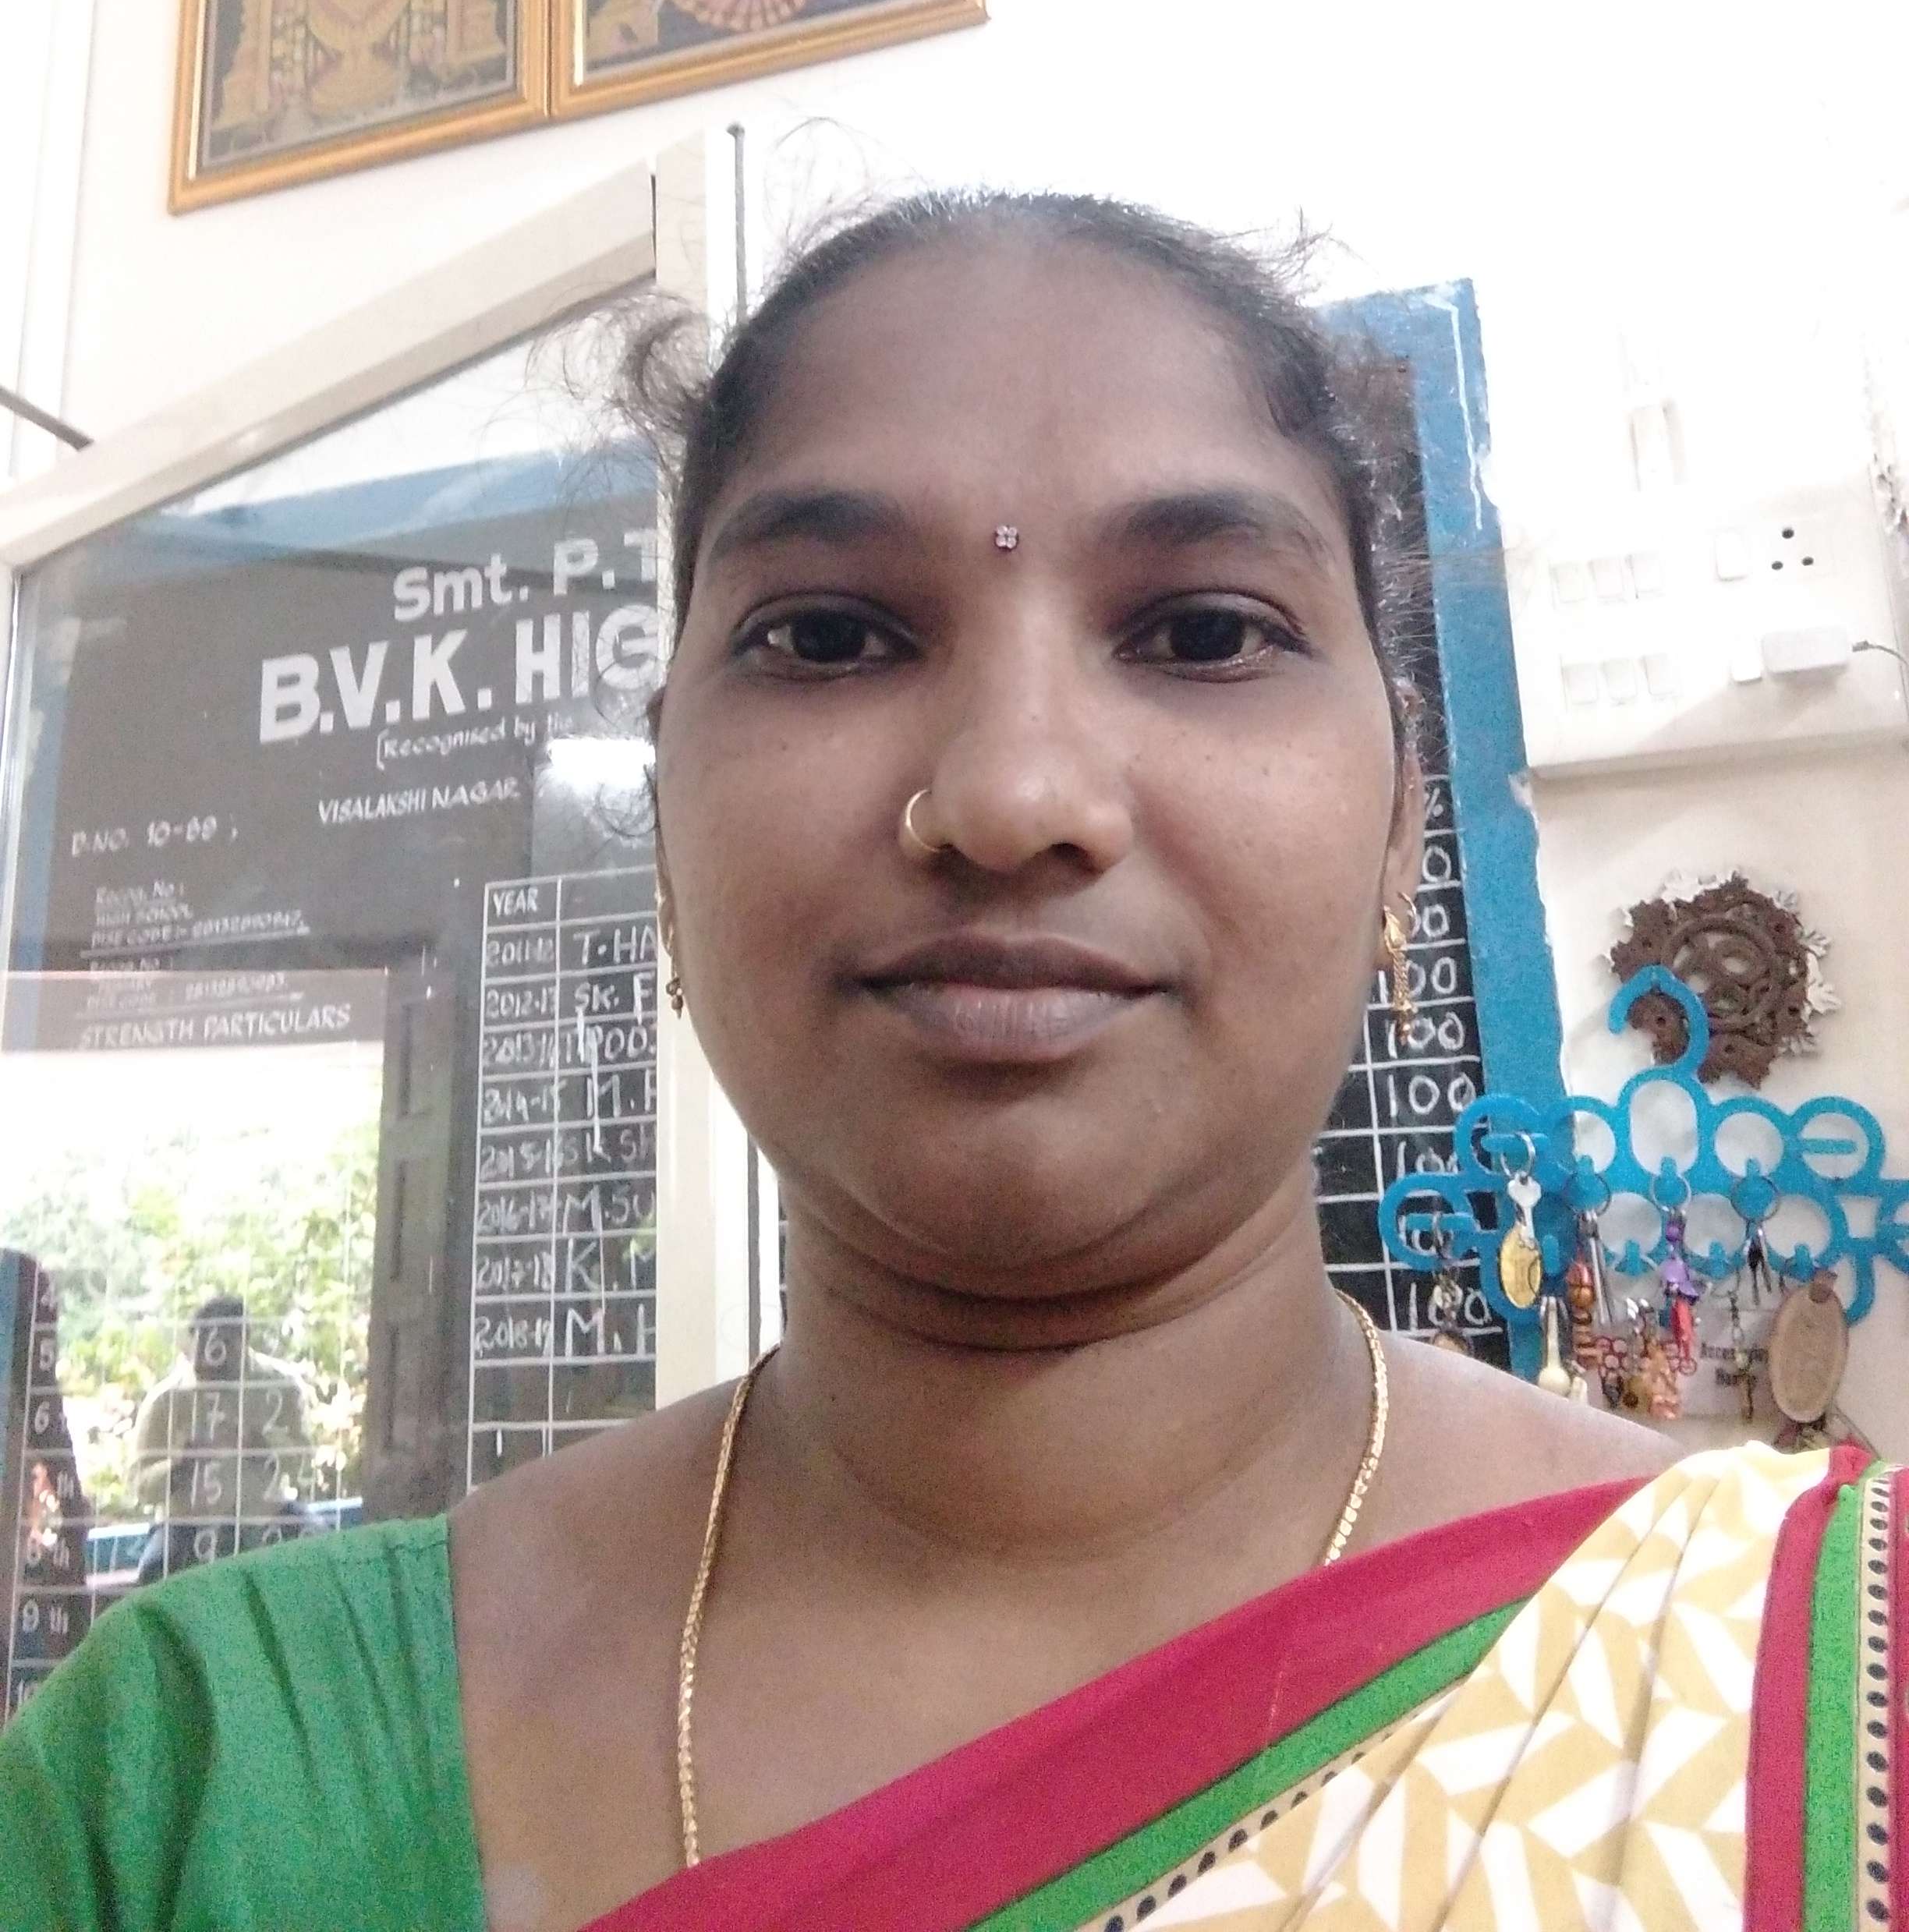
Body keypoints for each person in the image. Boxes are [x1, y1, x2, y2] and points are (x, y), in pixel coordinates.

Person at [0, 193, 1899, 1931]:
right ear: (665, 821)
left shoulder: (1800, 1683)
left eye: (1202, 630)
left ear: (1402, 824)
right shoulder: (193, 1791)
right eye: (830, 636)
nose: (1008, 795)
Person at [129, 1293, 316, 1583]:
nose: (210, 1359)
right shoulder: (165, 1401)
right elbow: (140, 1486)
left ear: (244, 1341)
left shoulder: (282, 1387)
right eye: (201, 1348)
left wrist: (264, 1447)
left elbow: (304, 1465)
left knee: (319, 1557)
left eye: (223, 1347)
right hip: (186, 1524)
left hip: (267, 1515)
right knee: (155, 1573)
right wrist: (180, 1465)